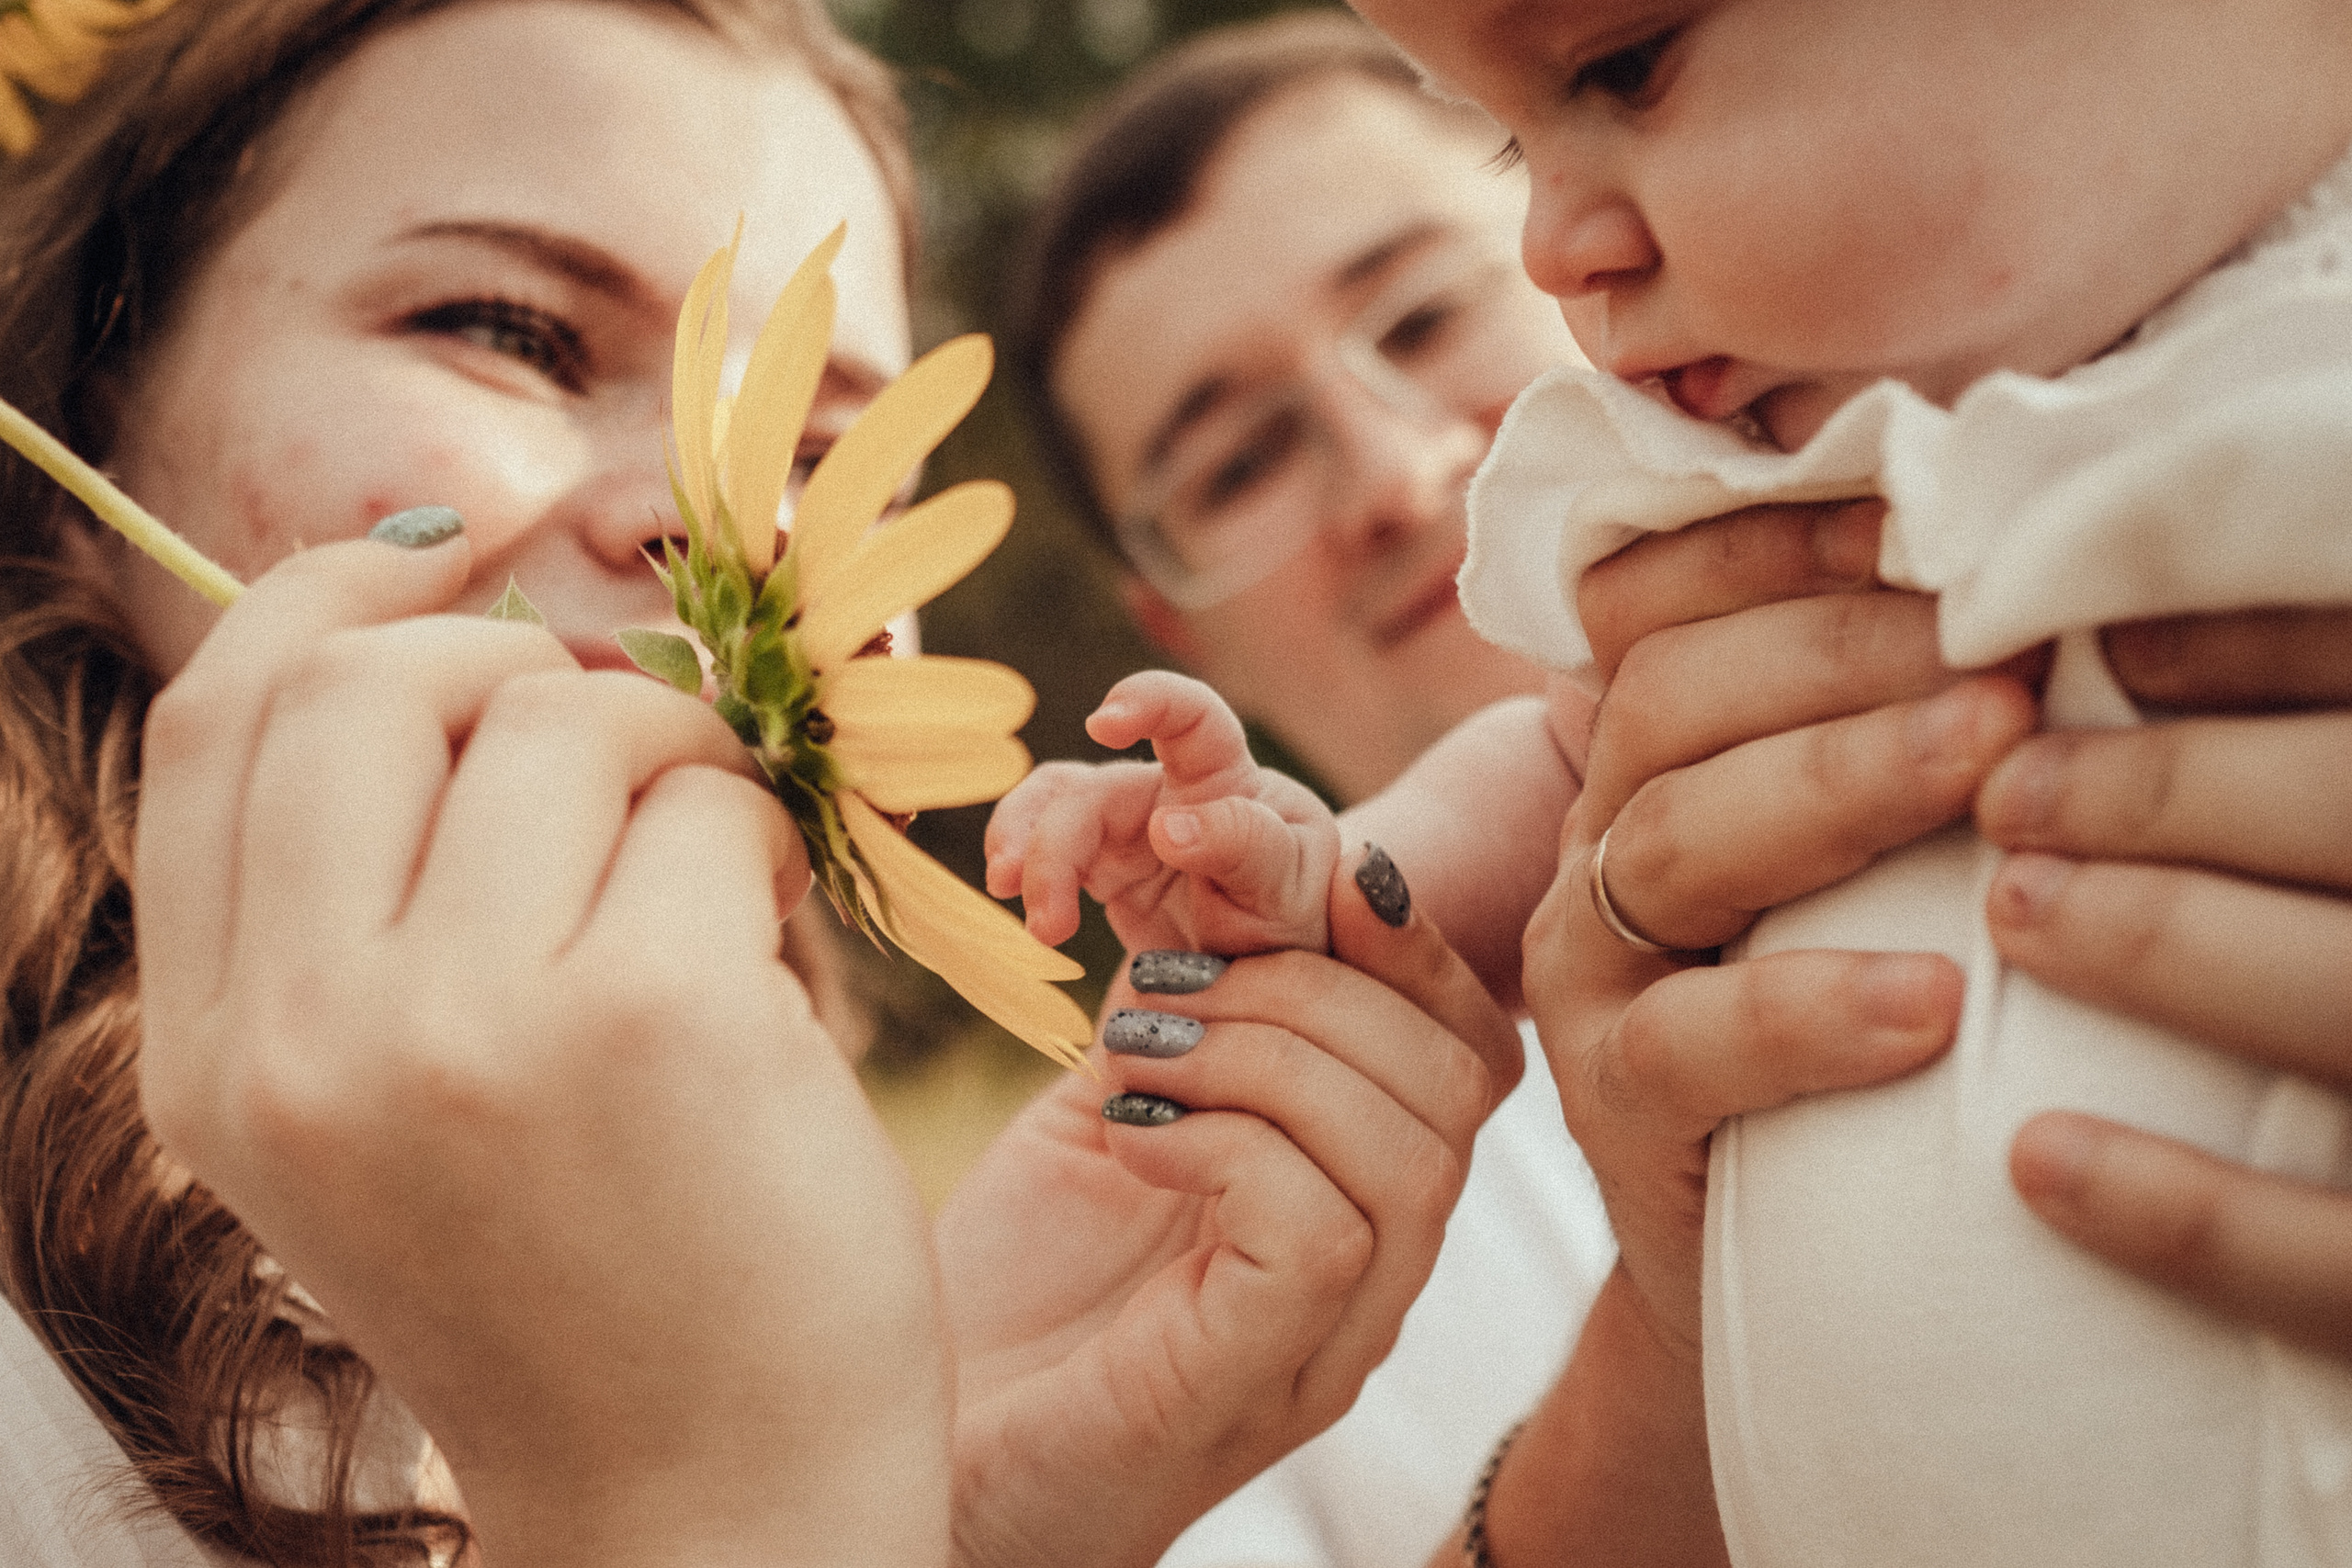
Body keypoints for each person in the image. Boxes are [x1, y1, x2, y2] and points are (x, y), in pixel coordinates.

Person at [0, 2, 1518, 1564]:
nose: (728, 529)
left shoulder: (779, 1297)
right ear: (81, 418)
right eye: (512, 331)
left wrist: (950, 1514)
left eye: (825, 455)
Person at [1003, 0, 2352, 1561]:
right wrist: (1341, 891)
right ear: (1167, 623)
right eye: (1235, 463)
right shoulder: (1222, 1200)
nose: (1561, 246)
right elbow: (1564, 760)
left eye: (1622, 66)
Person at [993, 17, 1613, 1567]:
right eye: (1240, 461)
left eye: (1421, 313)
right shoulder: (1176, 1221)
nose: (1398, 475)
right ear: (1173, 631)